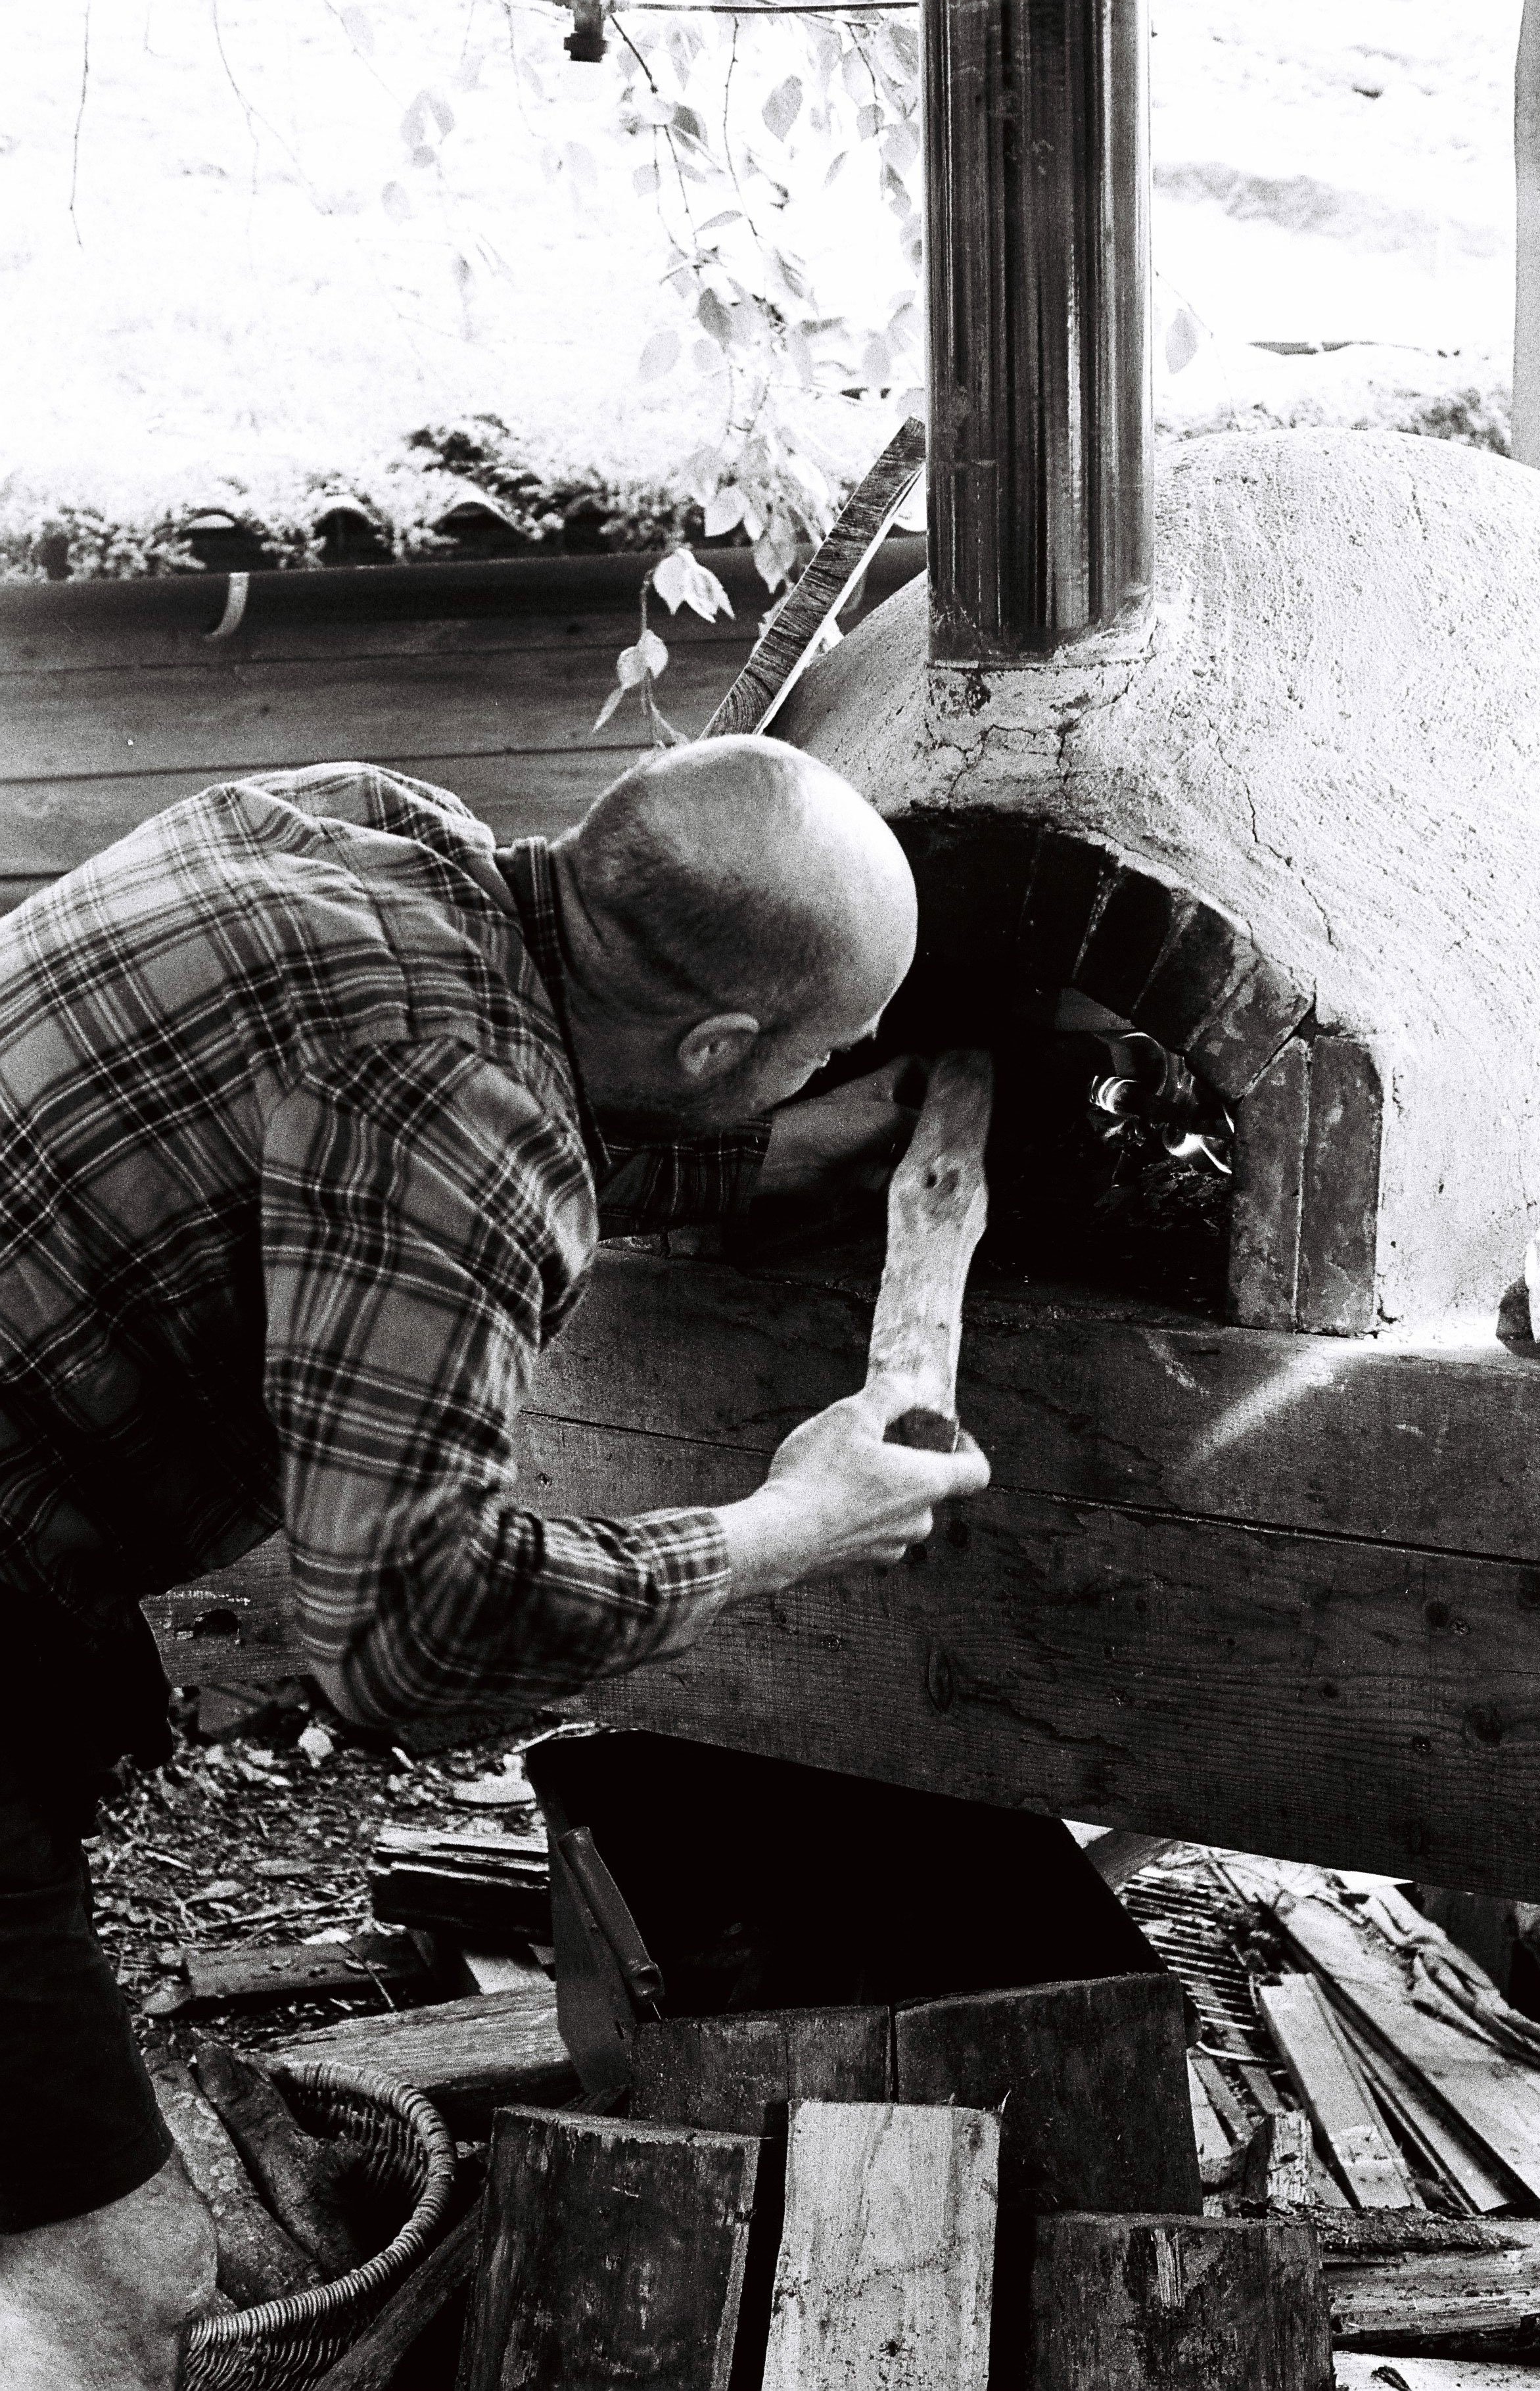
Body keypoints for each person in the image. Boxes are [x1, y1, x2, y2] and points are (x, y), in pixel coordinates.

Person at [0, 735, 989, 2389]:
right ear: (723, 1039)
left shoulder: (355, 823)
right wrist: (778, 1530)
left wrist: (836, 1142)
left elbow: (472, 1114)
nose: (832, 1075)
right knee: (115, 2277)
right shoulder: (463, 1120)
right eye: (822, 1058)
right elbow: (404, 1635)